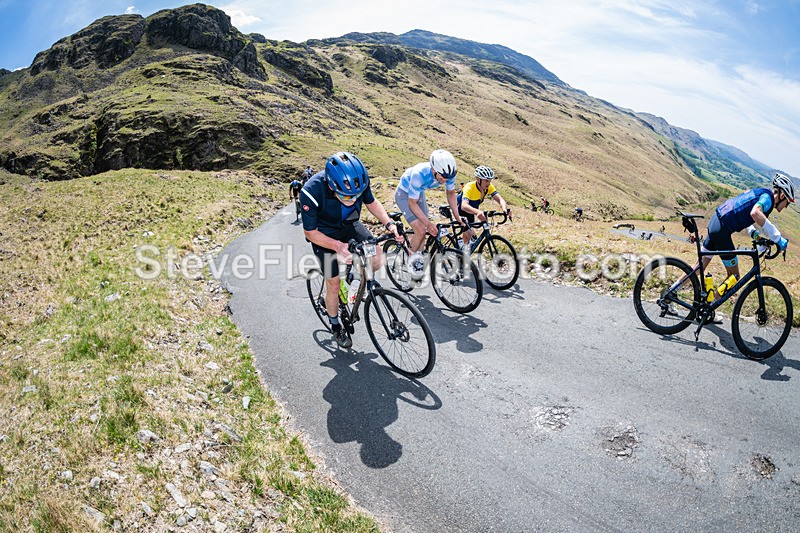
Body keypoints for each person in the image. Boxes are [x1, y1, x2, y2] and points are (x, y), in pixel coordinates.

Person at [300, 152, 401, 348]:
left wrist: (389, 224)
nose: (353, 199)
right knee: (334, 284)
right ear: (331, 185)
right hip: (324, 234)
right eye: (347, 195)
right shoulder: (311, 191)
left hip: (350, 225)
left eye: (356, 195)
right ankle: (336, 325)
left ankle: (355, 287)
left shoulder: (358, 182)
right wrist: (338, 246)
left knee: (378, 256)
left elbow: (371, 202)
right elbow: (310, 233)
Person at [696, 174, 793, 299]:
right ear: (782, 195)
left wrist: (756, 235)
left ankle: (670, 293)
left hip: (716, 221)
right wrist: (778, 238)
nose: (786, 206)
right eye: (787, 202)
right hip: (722, 230)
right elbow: (755, 213)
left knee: (699, 267)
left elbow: (745, 214)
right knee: (734, 276)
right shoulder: (768, 199)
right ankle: (711, 303)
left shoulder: (761, 193)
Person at [394, 149, 475, 268]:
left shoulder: (449, 173)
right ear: (433, 169)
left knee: (424, 231)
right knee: (421, 230)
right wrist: (428, 224)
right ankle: (406, 258)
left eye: (449, 177)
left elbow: (451, 193)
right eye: (443, 177)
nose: (445, 180)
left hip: (419, 193)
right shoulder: (419, 174)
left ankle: (418, 256)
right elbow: (412, 203)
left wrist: (457, 216)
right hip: (404, 195)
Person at [456, 165, 511, 249]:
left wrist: (504, 209)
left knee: (467, 239)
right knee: (473, 237)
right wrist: (477, 212)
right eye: (486, 181)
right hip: (459, 210)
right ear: (478, 179)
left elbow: (500, 199)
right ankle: (458, 249)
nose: (488, 183)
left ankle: (461, 255)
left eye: (490, 181)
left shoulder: (488, 187)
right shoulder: (469, 187)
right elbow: (464, 206)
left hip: (471, 211)